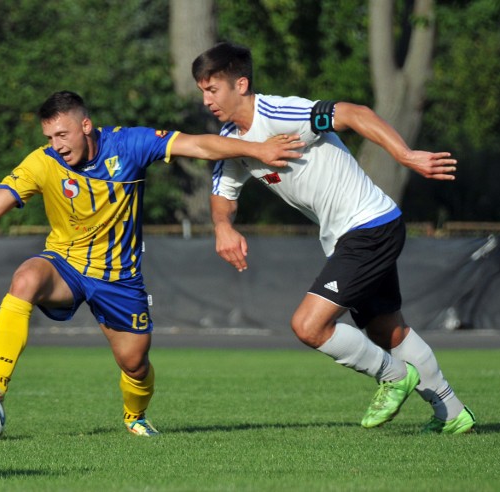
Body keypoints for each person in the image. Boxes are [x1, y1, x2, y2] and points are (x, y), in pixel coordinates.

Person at [0, 90, 303, 437]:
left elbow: (199, 146)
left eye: (62, 135)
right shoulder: (42, 163)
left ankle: (135, 417)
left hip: (119, 279)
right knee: (27, 277)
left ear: (86, 126)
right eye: (49, 138)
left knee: (134, 364)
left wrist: (257, 149)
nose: (56, 145)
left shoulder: (129, 145)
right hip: (66, 265)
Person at [191, 42, 475, 434]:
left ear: (240, 84)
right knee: (386, 330)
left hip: (370, 226)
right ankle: (452, 412)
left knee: (308, 326)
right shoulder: (233, 142)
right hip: (350, 237)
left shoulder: (278, 112)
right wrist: (223, 226)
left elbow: (354, 113)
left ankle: (393, 376)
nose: (206, 100)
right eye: (202, 91)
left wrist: (406, 155)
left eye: (212, 89)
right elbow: (222, 194)